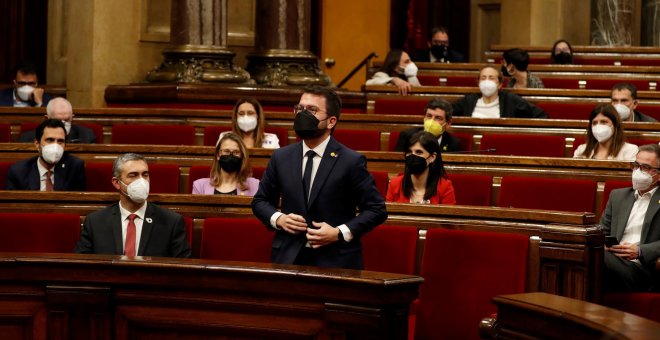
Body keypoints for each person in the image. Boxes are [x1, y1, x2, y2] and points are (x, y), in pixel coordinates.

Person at [251, 86, 387, 270]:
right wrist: (279, 218)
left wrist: (338, 232)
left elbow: (376, 209)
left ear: (331, 121)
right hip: (288, 258)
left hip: (335, 259)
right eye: (299, 109)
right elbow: (260, 201)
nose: (302, 114)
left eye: (311, 110)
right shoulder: (281, 157)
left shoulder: (351, 161)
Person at [74, 153, 191, 258]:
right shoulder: (95, 222)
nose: (142, 181)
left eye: (145, 175)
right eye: (133, 175)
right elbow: (81, 266)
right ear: (116, 183)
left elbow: (183, 269)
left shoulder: (171, 222)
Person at [601, 144, 660, 292]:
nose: (638, 171)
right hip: (611, 260)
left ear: (658, 174)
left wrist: (640, 251)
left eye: (645, 167)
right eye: (636, 165)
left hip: (642, 268)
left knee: (596, 259)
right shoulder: (618, 196)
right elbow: (601, 231)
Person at [6, 119, 86, 191]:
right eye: (50, 140)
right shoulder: (18, 171)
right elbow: (14, 205)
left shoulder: (75, 167)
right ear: (37, 144)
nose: (55, 146)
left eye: (60, 141)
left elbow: (76, 203)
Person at [387, 131, 456, 205]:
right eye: (409, 152)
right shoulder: (395, 184)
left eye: (419, 152)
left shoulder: (445, 187)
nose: (412, 156)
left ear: (432, 157)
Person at [452, 65, 547, 118]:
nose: (487, 81)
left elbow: (540, 114)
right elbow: (447, 112)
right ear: (478, 83)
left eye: (491, 78)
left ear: (500, 84)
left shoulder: (510, 99)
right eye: (483, 78)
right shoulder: (469, 100)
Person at [192, 132, 260, 195]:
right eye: (226, 151)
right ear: (218, 155)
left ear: (242, 156)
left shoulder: (255, 185)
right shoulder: (200, 186)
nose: (230, 156)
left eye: (236, 152)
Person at [573, 104, 638, 161]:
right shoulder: (581, 150)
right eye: (594, 123)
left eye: (604, 122)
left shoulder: (630, 150)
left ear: (615, 125)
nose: (598, 126)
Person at [395, 98, 461, 152]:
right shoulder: (407, 136)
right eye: (429, 116)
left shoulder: (453, 143)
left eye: (438, 118)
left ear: (448, 123)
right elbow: (397, 164)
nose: (431, 121)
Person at [19, 97, 97, 143]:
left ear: (72, 117)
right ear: (47, 118)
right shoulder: (28, 138)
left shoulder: (87, 136)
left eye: (67, 120)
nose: (63, 124)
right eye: (58, 121)